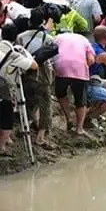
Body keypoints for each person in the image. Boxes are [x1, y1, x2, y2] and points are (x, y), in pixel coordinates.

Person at [16, 8, 56, 148]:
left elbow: (18, 55)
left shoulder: (20, 36)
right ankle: (40, 137)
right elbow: (52, 59)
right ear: (43, 21)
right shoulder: (48, 38)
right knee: (45, 103)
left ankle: (26, 125)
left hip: (26, 71)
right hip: (43, 73)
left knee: (27, 100)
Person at [0, 24, 38, 156]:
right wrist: (25, 54)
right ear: (15, 37)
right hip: (5, 90)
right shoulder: (14, 54)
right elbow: (34, 65)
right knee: (6, 118)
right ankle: (2, 147)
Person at [53, 31, 95, 137]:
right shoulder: (84, 39)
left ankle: (69, 118)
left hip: (61, 66)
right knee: (81, 101)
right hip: (79, 68)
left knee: (61, 94)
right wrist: (84, 68)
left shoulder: (57, 37)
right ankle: (79, 128)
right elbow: (91, 59)